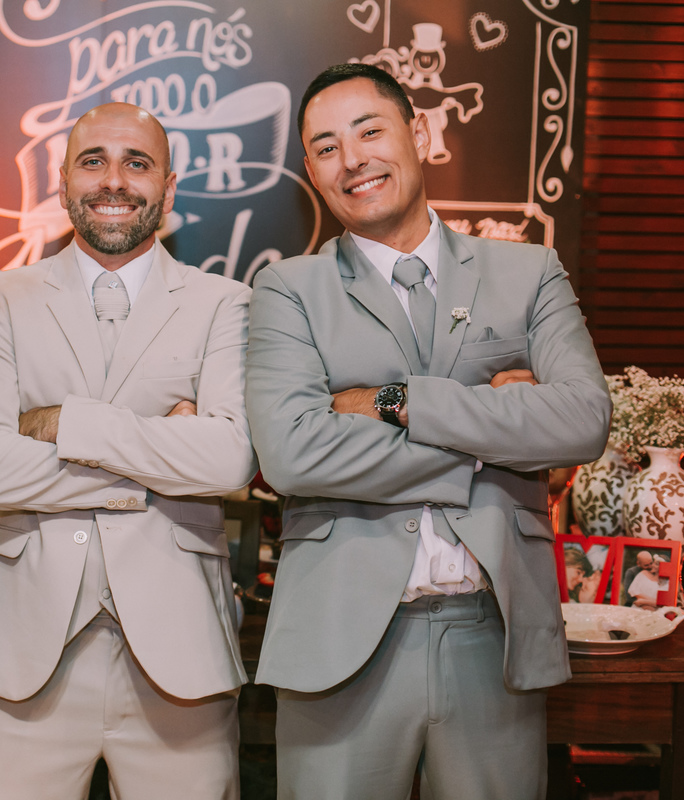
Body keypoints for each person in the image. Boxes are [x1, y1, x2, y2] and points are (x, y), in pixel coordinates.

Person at [245, 62, 610, 800]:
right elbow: (292, 453)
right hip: (338, 639)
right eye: (325, 147)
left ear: (418, 133)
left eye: (369, 132)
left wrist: (396, 400)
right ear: (312, 172)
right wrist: (493, 443)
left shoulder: (529, 272)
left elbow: (583, 420)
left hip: (493, 636)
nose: (352, 160)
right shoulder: (288, 289)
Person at [0, 102, 256, 799]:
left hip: (181, 656)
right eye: (94, 162)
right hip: (21, 652)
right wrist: (161, 457)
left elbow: (229, 460)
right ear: (62, 183)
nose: (114, 180)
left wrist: (63, 423)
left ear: (167, 190)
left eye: (136, 164)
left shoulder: (224, 303)